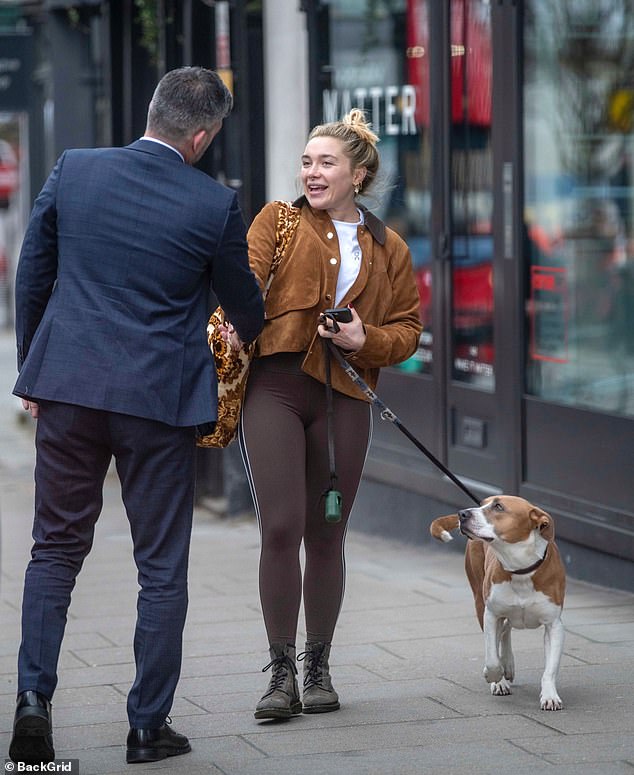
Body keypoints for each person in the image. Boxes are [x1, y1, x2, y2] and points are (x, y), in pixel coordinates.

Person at [9, 66, 264, 765]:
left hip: (69, 387)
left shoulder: (75, 169)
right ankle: (147, 727)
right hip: (158, 400)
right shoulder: (214, 205)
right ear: (203, 134)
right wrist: (246, 328)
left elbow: (34, 271)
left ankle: (32, 702)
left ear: (152, 113)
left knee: (54, 549)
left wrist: (34, 368)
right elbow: (244, 305)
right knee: (160, 565)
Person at [237, 109, 422, 719]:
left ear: (358, 174)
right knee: (281, 524)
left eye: (326, 163)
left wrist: (364, 340)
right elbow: (244, 285)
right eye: (307, 162)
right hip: (277, 385)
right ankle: (279, 673)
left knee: (327, 530)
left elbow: (408, 331)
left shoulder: (388, 246)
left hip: (344, 394)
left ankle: (318, 666)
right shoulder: (278, 220)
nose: (312, 173)